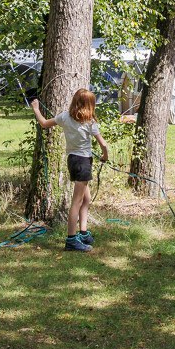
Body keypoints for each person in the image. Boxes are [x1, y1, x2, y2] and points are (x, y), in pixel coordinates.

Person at [31, 87, 109, 253]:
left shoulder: (65, 117)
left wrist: (36, 109)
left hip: (73, 160)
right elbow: (103, 144)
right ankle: (71, 240)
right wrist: (105, 156)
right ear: (90, 105)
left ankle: (83, 233)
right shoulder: (90, 123)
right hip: (83, 162)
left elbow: (44, 123)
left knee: (86, 199)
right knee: (77, 202)